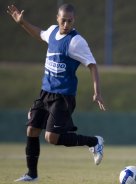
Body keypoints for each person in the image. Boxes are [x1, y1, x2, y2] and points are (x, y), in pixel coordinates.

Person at [7, 4, 106, 182]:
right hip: (45, 92)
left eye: (70, 21)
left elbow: (92, 65)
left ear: (74, 20)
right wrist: (22, 23)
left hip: (63, 97)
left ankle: (94, 142)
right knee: (32, 129)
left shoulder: (76, 42)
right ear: (57, 18)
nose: (66, 24)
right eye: (63, 20)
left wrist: (96, 91)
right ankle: (32, 174)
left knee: (52, 138)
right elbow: (40, 33)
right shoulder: (53, 32)